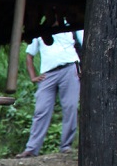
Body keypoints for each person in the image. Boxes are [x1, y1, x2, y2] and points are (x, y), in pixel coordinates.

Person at [18, 29, 83, 157]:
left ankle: (66, 146)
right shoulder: (41, 32)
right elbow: (29, 55)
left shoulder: (72, 29)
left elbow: (85, 45)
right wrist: (33, 77)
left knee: (70, 106)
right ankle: (31, 149)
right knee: (41, 109)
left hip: (70, 67)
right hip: (48, 73)